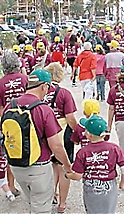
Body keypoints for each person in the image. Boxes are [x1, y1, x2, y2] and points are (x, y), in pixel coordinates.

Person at [3, 69, 72, 213]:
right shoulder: (43, 109)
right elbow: (56, 146)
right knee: (41, 208)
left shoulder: (10, 106)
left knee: (32, 202)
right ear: (44, 86)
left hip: (16, 165)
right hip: (38, 167)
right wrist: (66, 165)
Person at [66, 115, 124, 214]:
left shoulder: (83, 152)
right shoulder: (114, 148)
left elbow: (78, 176)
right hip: (109, 186)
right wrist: (122, 182)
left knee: (92, 210)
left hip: (91, 187)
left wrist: (67, 175)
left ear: (88, 134)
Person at [43, 62, 78, 213]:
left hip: (45, 133)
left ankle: (51, 194)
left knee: (51, 167)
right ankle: (62, 203)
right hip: (62, 133)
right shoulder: (64, 93)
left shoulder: (41, 91)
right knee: (64, 166)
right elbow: (70, 117)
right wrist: (78, 132)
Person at [0, 52, 28, 196]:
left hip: (9, 122)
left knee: (10, 154)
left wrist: (1, 127)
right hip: (26, 119)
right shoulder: (25, 78)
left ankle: (12, 186)